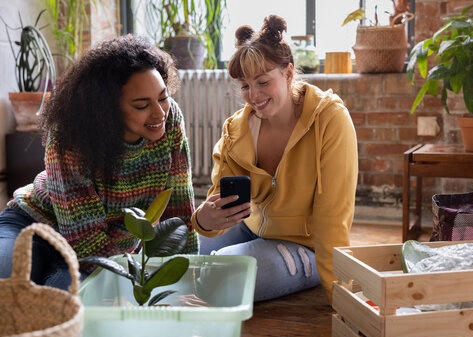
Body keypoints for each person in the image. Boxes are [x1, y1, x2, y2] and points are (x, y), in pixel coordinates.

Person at [0, 34, 198, 290]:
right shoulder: (72, 135)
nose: (159, 112)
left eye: (163, 97)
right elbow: (85, 241)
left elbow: (179, 211)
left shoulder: (170, 122)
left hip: (105, 244)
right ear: (108, 108)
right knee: (6, 285)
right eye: (141, 105)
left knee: (70, 299)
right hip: (34, 225)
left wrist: (189, 276)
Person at [192, 15, 358, 304]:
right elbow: (217, 208)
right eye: (244, 86)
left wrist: (342, 296)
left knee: (221, 275)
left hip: (304, 243)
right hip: (250, 227)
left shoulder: (330, 120)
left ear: (289, 73)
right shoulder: (235, 130)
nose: (253, 96)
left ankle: (308, 270)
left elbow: (333, 215)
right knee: (176, 254)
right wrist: (203, 220)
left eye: (263, 82)